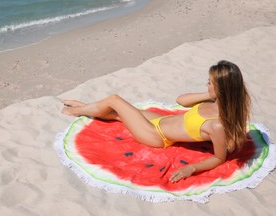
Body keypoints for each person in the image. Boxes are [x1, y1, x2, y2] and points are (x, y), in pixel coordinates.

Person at [61, 60, 251, 182]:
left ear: (222, 89)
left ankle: (78, 109)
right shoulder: (214, 100)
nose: (206, 84)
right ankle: (85, 107)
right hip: (162, 120)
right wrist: (211, 93)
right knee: (117, 113)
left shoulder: (217, 125)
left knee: (115, 101)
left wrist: (191, 168)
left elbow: (219, 157)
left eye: (210, 83)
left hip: (156, 136)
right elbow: (181, 100)